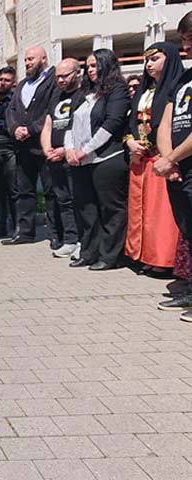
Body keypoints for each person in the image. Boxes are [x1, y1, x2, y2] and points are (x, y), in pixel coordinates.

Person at [65, 49, 130, 271]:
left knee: (110, 209)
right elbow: (70, 124)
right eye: (88, 66)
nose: (91, 70)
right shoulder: (84, 93)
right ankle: (88, 252)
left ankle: (110, 256)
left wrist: (86, 150)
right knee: (86, 210)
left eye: (95, 65)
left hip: (106, 158)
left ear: (107, 65)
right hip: (81, 161)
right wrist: (70, 149)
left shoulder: (117, 89)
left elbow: (112, 123)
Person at [124, 43, 184, 277]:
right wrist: (130, 141)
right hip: (141, 159)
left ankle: (163, 259)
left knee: (161, 214)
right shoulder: (144, 90)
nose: (149, 64)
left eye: (155, 59)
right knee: (143, 212)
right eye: (147, 60)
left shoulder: (176, 88)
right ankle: (144, 255)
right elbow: (130, 123)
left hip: (163, 157)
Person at [4, 45, 62, 247]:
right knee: (24, 190)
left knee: (51, 191)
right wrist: (15, 129)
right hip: (23, 147)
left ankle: (56, 233)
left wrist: (31, 129)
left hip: (44, 145)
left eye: (31, 59)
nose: (27, 63)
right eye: (26, 60)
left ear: (43, 59)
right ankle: (25, 232)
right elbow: (11, 110)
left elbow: (51, 110)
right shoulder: (22, 84)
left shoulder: (53, 80)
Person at [154, 10, 192, 318]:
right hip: (179, 171)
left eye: (191, 39)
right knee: (188, 232)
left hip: (180, 163)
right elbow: (166, 122)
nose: (186, 47)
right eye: (183, 40)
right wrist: (170, 162)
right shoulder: (183, 78)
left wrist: (170, 159)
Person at [40, 58, 82, 259]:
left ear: (77, 72)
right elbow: (48, 125)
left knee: (77, 199)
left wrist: (65, 150)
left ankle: (82, 240)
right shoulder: (56, 96)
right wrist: (47, 149)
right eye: (58, 77)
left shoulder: (83, 95)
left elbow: (83, 128)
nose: (61, 80)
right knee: (63, 200)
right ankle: (70, 240)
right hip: (54, 158)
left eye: (65, 76)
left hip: (73, 157)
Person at [0, 66, 19, 238]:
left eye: (6, 80)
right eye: (0, 79)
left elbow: (17, 121)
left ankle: (17, 226)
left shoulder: (16, 99)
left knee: (13, 190)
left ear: (13, 82)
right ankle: (1, 226)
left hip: (10, 147)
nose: (2, 83)